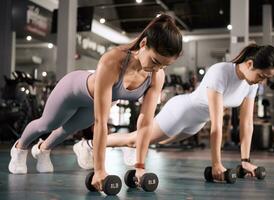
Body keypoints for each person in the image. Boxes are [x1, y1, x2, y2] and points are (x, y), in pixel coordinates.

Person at [8, 14, 182, 190]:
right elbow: (101, 123)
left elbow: (145, 125)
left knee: (67, 129)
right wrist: (100, 170)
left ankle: (43, 149)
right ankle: (19, 148)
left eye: (163, 66)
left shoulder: (156, 76)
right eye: (154, 61)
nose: (157, 69)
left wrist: (140, 167)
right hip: (72, 90)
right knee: (47, 124)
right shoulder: (113, 60)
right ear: (143, 44)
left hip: (93, 102)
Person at [76, 44, 274, 181]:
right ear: (250, 64)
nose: (261, 81)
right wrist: (216, 164)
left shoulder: (250, 83)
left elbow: (246, 124)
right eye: (261, 75)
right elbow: (217, 125)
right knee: (136, 139)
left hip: (196, 121)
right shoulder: (221, 72)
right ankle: (88, 144)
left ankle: (129, 147)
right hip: (180, 112)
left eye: (266, 78)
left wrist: (245, 162)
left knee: (148, 141)